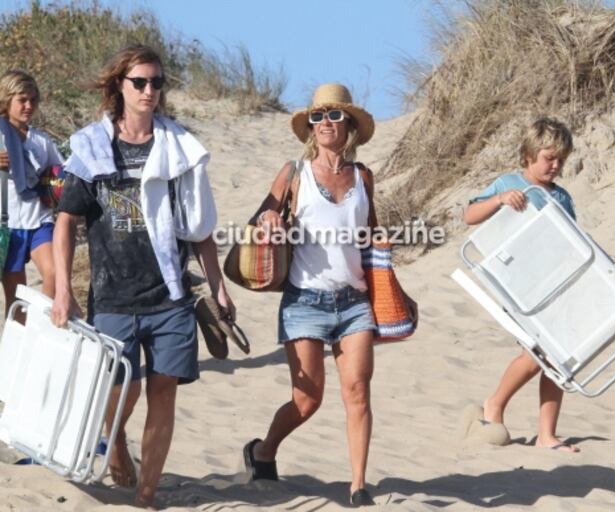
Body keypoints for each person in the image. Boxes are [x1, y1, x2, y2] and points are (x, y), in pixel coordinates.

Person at [51, 44, 235, 508]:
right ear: (120, 86)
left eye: (157, 82)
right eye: (140, 82)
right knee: (121, 391)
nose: (149, 90)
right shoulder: (92, 147)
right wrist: (59, 291)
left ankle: (147, 494)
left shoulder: (178, 148)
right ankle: (115, 442)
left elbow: (199, 228)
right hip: (112, 296)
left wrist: (217, 285)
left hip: (171, 295)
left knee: (163, 392)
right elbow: (66, 223)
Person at [243, 83, 378, 507]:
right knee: (307, 399)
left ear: (349, 125)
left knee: (357, 391)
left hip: (354, 301)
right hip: (304, 300)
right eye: (317, 117)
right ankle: (263, 450)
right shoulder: (293, 174)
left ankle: (357, 486)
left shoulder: (363, 177)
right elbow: (260, 217)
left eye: (333, 116)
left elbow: (370, 233)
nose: (324, 123)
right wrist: (269, 220)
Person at [463, 117, 581, 453]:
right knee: (536, 354)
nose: (555, 166)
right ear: (529, 154)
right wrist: (499, 201)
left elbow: (571, 241)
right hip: (520, 285)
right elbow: (469, 214)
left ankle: (547, 435)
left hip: (557, 286)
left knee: (558, 360)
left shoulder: (563, 197)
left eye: (561, 159)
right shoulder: (509, 182)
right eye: (549, 158)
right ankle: (495, 403)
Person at [0, 70, 62, 316]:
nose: (29, 106)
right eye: (22, 100)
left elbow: (61, 174)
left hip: (39, 219)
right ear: (6, 100)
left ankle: (41, 326)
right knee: (16, 301)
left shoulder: (41, 140)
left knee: (55, 274)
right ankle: (15, 350)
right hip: (8, 225)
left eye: (33, 100)